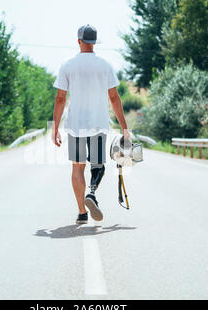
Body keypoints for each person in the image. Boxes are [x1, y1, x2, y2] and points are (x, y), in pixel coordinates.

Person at [51, 24, 130, 224]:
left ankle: (81, 212)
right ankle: (92, 193)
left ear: (79, 41)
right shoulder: (105, 65)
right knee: (98, 164)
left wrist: (55, 128)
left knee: (77, 168)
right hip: (98, 123)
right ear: (95, 43)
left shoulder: (67, 65)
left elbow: (60, 98)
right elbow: (114, 97)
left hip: (76, 124)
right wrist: (124, 127)